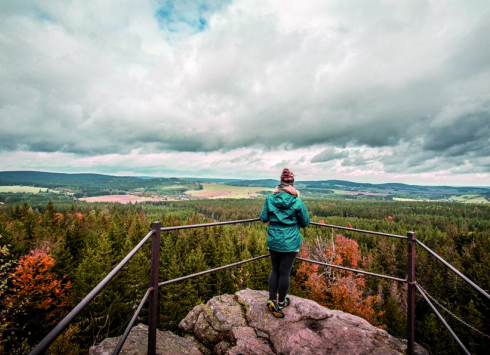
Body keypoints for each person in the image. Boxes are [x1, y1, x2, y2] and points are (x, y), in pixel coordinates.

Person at [260, 168, 310, 318]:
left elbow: (263, 218)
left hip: (274, 240)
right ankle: (281, 302)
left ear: (280, 184)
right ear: (292, 185)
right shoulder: (297, 202)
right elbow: (305, 223)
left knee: (275, 270)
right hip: (291, 242)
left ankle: (271, 299)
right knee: (285, 273)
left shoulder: (270, 199)